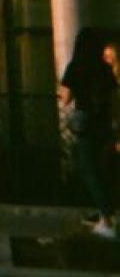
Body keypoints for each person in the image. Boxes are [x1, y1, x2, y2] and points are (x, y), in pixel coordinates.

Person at [59, 27, 118, 239]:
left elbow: (65, 98)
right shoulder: (104, 68)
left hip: (84, 121)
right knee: (104, 168)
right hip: (104, 123)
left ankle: (107, 219)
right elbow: (112, 98)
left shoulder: (76, 66)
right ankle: (106, 213)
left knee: (88, 168)